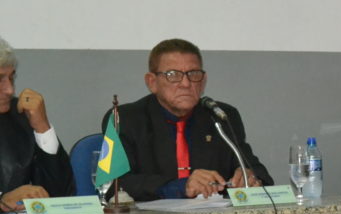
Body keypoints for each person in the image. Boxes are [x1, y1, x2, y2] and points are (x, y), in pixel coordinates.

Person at [104, 38, 271, 202]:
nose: (186, 83)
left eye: (193, 74)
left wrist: (250, 177)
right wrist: (180, 187)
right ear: (152, 82)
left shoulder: (220, 115)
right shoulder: (124, 119)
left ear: (203, 81)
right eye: (173, 75)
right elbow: (114, 185)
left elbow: (259, 172)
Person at [0, 36, 73, 212]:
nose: (10, 90)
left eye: (11, 78)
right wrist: (2, 202)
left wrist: (42, 127)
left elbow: (61, 195)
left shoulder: (19, 116)